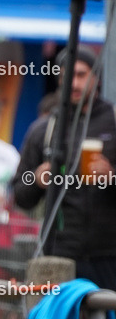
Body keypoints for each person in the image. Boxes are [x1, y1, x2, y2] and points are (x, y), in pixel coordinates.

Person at [13, 47, 116, 290]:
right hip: (59, 257)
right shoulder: (43, 130)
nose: (74, 82)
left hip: (110, 256)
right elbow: (20, 193)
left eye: (81, 75)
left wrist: (111, 177)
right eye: (66, 76)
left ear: (96, 77)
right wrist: (36, 179)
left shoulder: (113, 121)